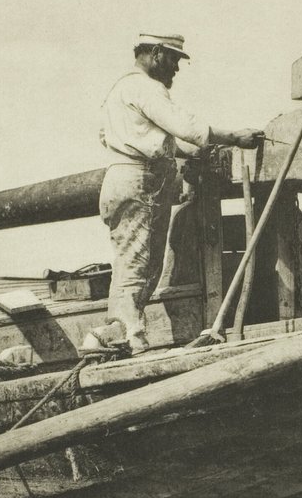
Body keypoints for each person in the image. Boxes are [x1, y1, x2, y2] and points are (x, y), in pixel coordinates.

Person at [89, 33, 262, 355]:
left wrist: (192, 150)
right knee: (140, 264)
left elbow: (156, 137)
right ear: (155, 54)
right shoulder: (146, 87)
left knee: (130, 261)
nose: (176, 69)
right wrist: (236, 137)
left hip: (120, 178)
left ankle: (122, 333)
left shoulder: (119, 89)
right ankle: (123, 336)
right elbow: (186, 127)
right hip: (141, 180)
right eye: (173, 60)